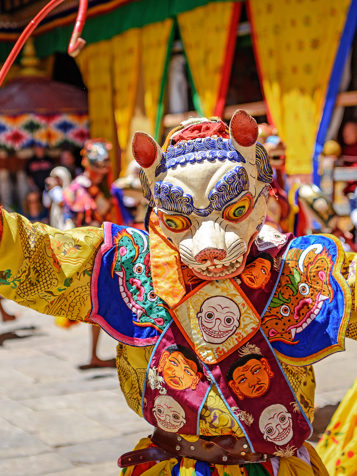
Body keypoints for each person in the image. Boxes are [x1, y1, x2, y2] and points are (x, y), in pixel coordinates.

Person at [0, 111, 356, 475]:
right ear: (157, 214)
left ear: (263, 198)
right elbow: (35, 255)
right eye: (177, 221)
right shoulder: (130, 263)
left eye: (234, 210)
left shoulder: (298, 269)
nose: (208, 246)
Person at [62, 138, 116, 370]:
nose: (103, 171)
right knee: (96, 304)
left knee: (100, 304)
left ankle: (97, 354)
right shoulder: (79, 188)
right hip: (87, 253)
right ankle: (95, 355)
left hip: (102, 252)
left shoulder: (100, 186)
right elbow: (78, 220)